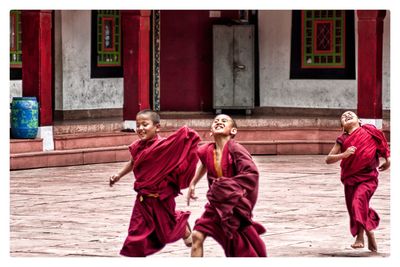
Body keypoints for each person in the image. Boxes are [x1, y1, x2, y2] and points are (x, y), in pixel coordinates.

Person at [109, 109, 200, 257]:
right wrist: (118, 175)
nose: (140, 128)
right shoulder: (138, 146)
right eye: (138, 125)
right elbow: (133, 163)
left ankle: (181, 224)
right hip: (143, 198)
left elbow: (179, 162)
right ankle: (134, 256)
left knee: (165, 233)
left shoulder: (164, 147)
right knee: (135, 232)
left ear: (157, 127)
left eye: (145, 124)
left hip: (162, 198)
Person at [187, 114, 267, 257]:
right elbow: (205, 163)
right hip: (215, 205)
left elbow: (251, 173)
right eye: (216, 121)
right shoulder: (208, 150)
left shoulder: (236, 149)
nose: (219, 122)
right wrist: (193, 183)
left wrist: (228, 186)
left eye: (224, 121)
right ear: (211, 131)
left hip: (233, 205)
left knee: (239, 246)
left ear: (233, 131)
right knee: (197, 235)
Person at [325, 111, 390, 252]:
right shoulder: (342, 139)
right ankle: (369, 231)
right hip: (350, 179)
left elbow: (382, 145)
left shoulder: (369, 131)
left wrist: (388, 159)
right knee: (355, 208)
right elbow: (328, 159)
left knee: (357, 202)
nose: (347, 115)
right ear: (342, 126)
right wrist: (344, 154)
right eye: (343, 116)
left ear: (359, 121)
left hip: (368, 177)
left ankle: (360, 237)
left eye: (350, 114)